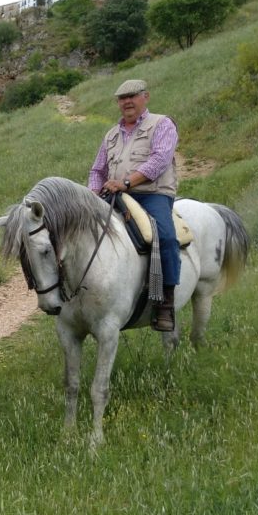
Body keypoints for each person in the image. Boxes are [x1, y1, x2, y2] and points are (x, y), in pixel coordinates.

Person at [88, 78, 180, 331]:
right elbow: (97, 170)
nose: (127, 101)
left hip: (152, 194)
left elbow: (160, 160)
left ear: (145, 97)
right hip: (115, 194)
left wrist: (126, 182)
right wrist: (92, 195)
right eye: (122, 98)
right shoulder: (112, 134)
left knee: (166, 236)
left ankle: (165, 304)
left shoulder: (162, 124)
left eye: (133, 96)